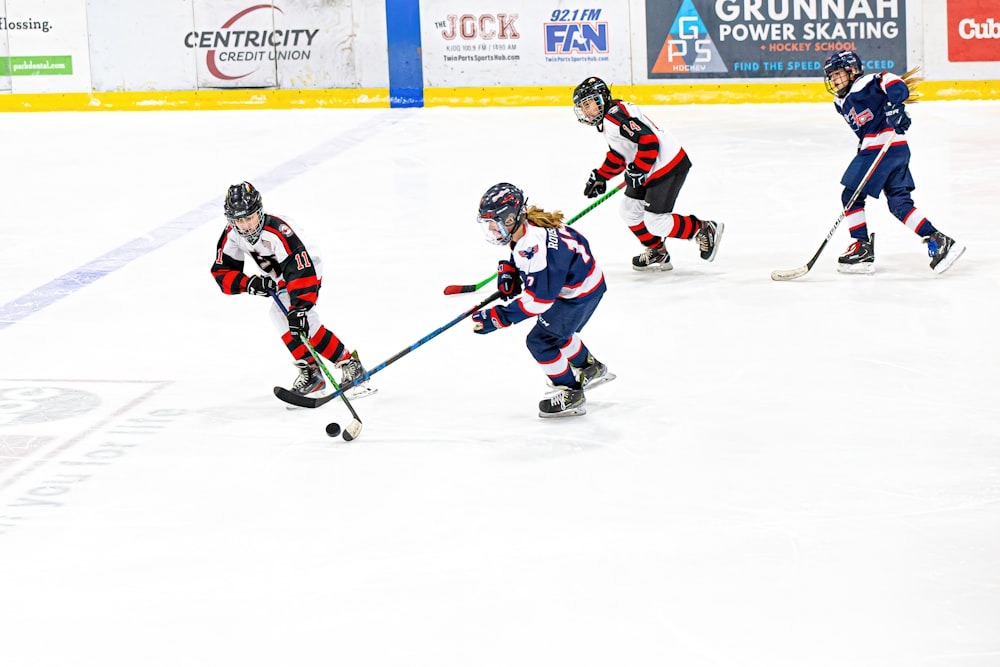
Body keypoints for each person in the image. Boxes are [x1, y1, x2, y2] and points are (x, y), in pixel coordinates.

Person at [210, 181, 374, 399]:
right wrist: (251, 284)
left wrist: (299, 307)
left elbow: (300, 269)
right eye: (239, 220)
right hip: (280, 275)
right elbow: (223, 271)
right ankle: (312, 372)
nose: (246, 225)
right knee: (278, 315)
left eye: (249, 217)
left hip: (306, 268)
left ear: (259, 211)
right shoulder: (233, 233)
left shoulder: (278, 231)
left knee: (301, 318)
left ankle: (350, 365)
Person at [471, 182, 615, 418]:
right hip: (584, 286)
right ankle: (591, 368)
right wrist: (511, 269)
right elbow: (527, 258)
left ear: (510, 219)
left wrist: (500, 317)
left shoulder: (534, 246)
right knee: (557, 331)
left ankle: (571, 392)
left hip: (578, 295)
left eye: (494, 224)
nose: (492, 231)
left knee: (541, 341)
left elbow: (539, 301)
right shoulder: (530, 225)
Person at [822, 50, 965, 274]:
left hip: (882, 148)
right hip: (893, 149)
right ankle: (938, 240)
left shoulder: (868, 82)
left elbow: (894, 82)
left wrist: (896, 106)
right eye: (831, 76)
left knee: (851, 196)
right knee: (898, 203)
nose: (834, 80)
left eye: (838, 74)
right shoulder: (840, 103)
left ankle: (861, 247)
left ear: (852, 71)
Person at [573, 76, 723, 271]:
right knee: (629, 211)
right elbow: (621, 153)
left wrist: (639, 169)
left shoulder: (614, 116)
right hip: (650, 167)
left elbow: (649, 140)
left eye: (589, 104)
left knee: (656, 222)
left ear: (602, 98)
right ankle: (658, 251)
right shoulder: (609, 119)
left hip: (667, 166)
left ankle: (703, 229)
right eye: (583, 107)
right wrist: (602, 176)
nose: (586, 111)